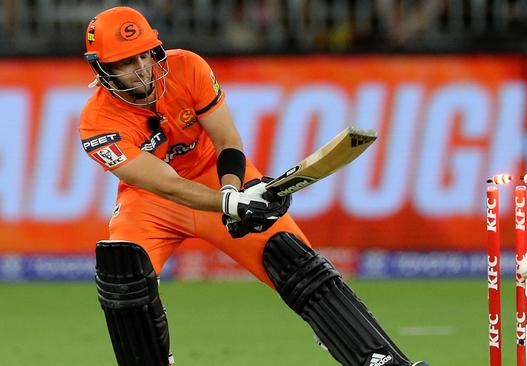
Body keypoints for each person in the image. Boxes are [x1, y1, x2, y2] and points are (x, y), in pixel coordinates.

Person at [79, 6, 428, 366]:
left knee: (296, 263)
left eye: (145, 54)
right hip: (151, 201)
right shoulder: (96, 124)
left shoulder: (187, 67)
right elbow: (166, 185)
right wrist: (229, 205)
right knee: (123, 271)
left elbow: (227, 139)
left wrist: (233, 190)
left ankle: (378, 359)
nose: (141, 68)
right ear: (102, 69)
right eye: (125, 61)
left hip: (215, 174)